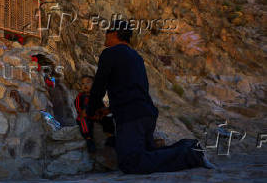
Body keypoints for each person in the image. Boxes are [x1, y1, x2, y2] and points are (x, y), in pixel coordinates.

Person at [86, 20, 215, 174]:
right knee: (148, 155)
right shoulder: (137, 57)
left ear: (114, 34)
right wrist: (108, 110)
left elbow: (99, 86)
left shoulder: (110, 53)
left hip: (131, 118)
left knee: (131, 163)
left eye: (107, 32)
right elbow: (136, 90)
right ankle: (189, 147)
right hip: (146, 114)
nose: (104, 37)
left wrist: (91, 110)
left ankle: (192, 153)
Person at [75, 75, 115, 153]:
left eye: (88, 82)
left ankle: (111, 136)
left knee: (107, 118)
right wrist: (80, 112)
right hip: (85, 115)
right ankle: (89, 139)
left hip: (96, 115)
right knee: (83, 122)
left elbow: (101, 105)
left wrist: (101, 112)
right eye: (83, 84)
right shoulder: (80, 96)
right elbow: (77, 105)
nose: (85, 85)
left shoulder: (97, 95)